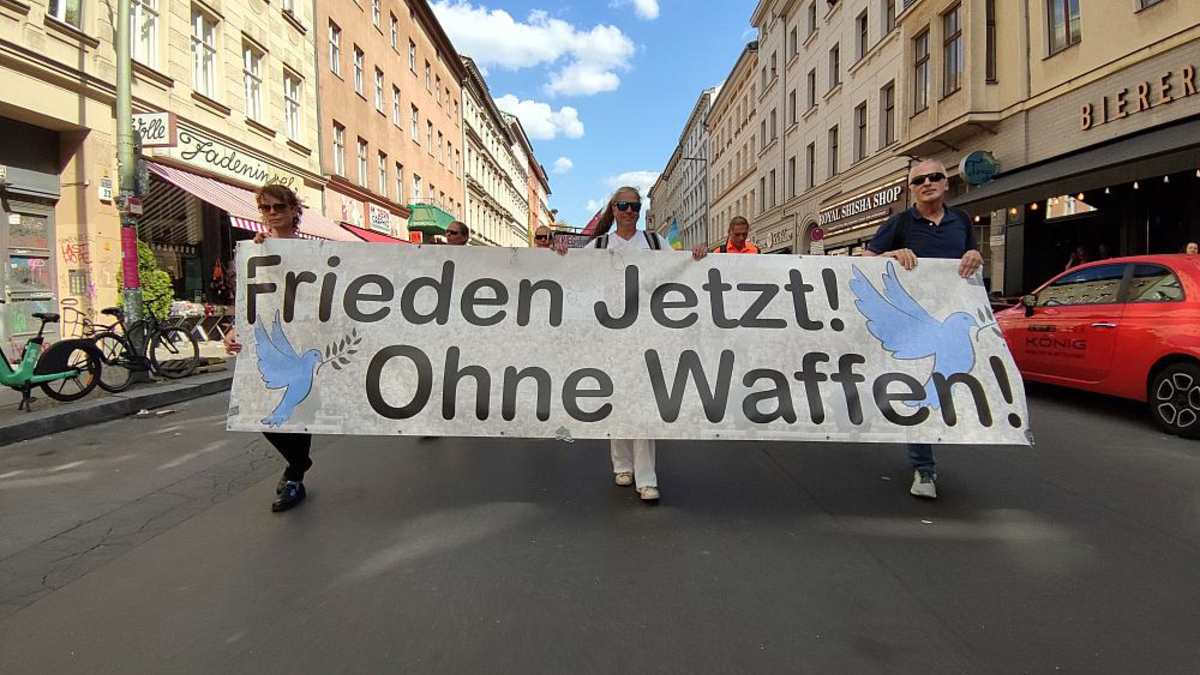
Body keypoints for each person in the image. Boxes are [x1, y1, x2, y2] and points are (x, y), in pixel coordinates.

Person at [573, 186, 704, 503]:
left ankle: (647, 478)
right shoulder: (601, 244)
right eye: (622, 205)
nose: (629, 211)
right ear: (613, 209)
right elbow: (572, 272)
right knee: (616, 398)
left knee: (643, 402)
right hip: (610, 331)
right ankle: (622, 466)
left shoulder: (656, 242)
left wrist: (696, 256)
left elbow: (681, 271)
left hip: (647, 332)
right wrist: (561, 255)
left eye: (634, 205)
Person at [863, 159, 983, 500]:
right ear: (910, 189)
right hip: (913, 325)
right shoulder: (899, 223)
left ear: (947, 184)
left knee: (947, 386)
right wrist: (890, 255)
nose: (927, 183)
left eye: (935, 177)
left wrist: (975, 253)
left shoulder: (960, 220)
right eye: (919, 180)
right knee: (922, 386)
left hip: (954, 318)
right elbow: (863, 261)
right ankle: (924, 468)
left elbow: (970, 254)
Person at [222, 184, 315, 512]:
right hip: (266, 336)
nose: (272, 213)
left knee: (298, 411)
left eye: (279, 207)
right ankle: (300, 465)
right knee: (259, 412)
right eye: (266, 208)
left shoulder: (312, 252)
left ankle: (294, 478)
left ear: (293, 210)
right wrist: (234, 329)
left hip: (304, 339)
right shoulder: (253, 251)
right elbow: (251, 297)